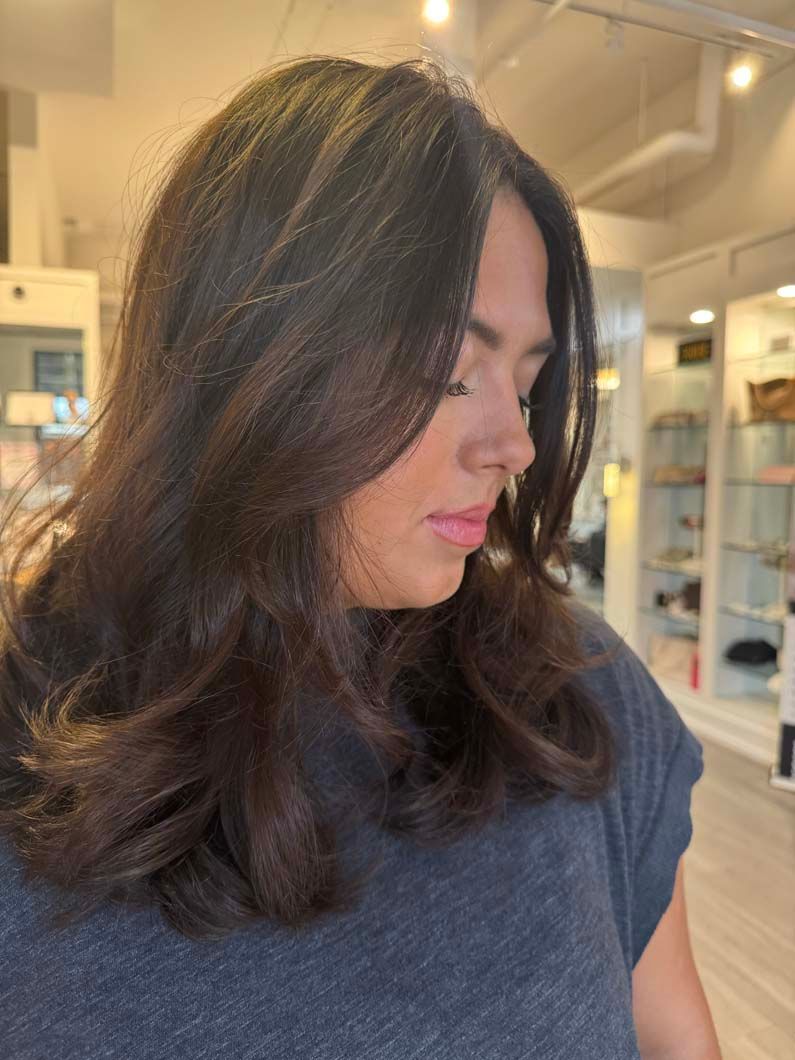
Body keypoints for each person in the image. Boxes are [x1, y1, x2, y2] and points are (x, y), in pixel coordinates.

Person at [0, 55, 720, 1059]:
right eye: (451, 371)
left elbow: (677, 1035)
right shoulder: (30, 734)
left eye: (525, 379)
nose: (513, 443)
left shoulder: (577, 696)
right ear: (253, 357)